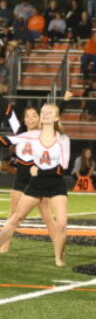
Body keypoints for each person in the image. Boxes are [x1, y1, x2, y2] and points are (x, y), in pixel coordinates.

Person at [0, 104, 69, 266]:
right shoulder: (27, 135)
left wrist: (38, 170)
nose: (31, 119)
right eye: (27, 116)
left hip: (51, 183)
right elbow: (6, 140)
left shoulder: (61, 139)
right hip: (29, 181)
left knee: (54, 220)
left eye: (35, 115)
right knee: (15, 217)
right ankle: (3, 247)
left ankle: (58, 255)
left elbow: (63, 166)